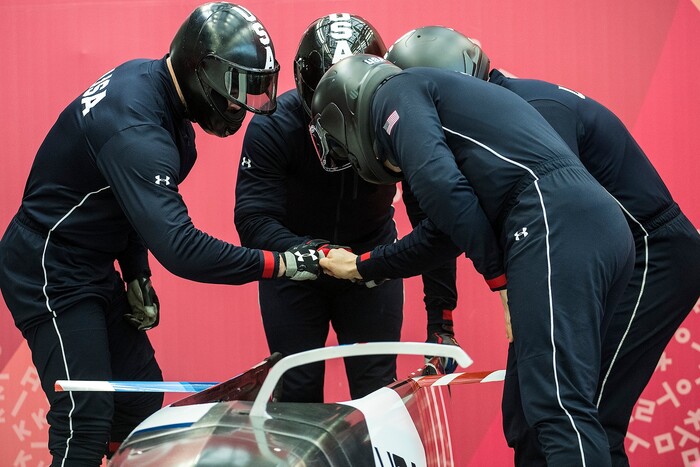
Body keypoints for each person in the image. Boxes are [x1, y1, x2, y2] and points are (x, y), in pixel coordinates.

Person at [0, 3, 323, 466]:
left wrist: (134, 272)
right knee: (84, 417)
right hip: (45, 264)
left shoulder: (155, 91)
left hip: (89, 261)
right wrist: (284, 263)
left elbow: (125, 202)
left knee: (137, 404)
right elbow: (182, 249)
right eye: (234, 90)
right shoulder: (139, 130)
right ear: (197, 70)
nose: (240, 106)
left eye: (250, 90)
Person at [383, 26, 700, 467]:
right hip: (604, 251)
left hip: (654, 253)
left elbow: (555, 220)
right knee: (527, 416)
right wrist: (375, 269)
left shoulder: (530, 108)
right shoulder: (499, 113)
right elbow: (447, 231)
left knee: (581, 413)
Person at [313, 54, 636, 466]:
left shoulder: (395, 92)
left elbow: (440, 185)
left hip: (553, 222)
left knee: (558, 407)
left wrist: (498, 278)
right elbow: (445, 230)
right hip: (587, 226)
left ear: (348, 111)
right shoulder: (453, 108)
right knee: (528, 414)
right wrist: (363, 266)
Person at [233, 13, 458, 403]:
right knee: (296, 395)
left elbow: (434, 217)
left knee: (376, 396)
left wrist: (442, 318)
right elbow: (253, 218)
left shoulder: (398, 121)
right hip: (296, 265)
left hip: (369, 260)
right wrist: (320, 254)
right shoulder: (275, 127)